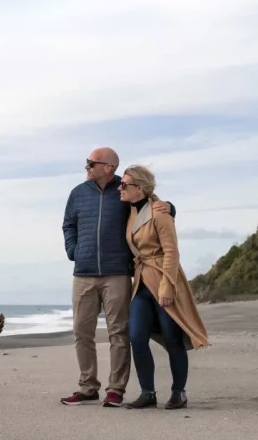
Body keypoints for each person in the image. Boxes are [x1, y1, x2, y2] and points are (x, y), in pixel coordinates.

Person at [60, 147, 174, 407]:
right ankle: (88, 387)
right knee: (81, 332)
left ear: (108, 167)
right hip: (84, 273)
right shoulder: (77, 193)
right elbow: (68, 224)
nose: (86, 167)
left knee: (118, 333)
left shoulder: (125, 189)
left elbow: (149, 206)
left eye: (91, 163)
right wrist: (73, 250)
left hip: (118, 273)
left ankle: (116, 389)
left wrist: (170, 207)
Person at [118, 165, 209, 410]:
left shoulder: (160, 212)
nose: (120, 188)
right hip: (141, 283)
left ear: (140, 188)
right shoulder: (130, 213)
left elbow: (172, 251)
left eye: (125, 184)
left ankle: (179, 393)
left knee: (172, 339)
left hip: (162, 279)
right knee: (136, 337)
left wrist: (167, 286)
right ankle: (148, 392)